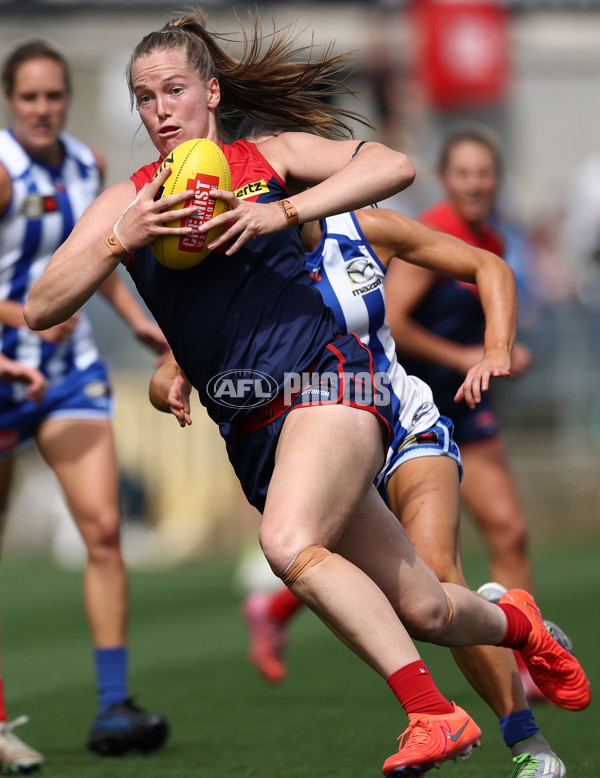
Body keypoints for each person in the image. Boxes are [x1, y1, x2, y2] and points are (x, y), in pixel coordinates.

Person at [23, 10, 589, 777]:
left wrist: (280, 211)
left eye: (175, 90)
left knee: (287, 544)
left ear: (212, 93)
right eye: (144, 97)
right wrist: (121, 239)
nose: (160, 110)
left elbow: (393, 165)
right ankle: (519, 623)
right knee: (424, 608)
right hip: (256, 432)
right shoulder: (129, 202)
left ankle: (433, 715)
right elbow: (42, 304)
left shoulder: (271, 158)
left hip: (332, 383)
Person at [222, 118, 570, 778]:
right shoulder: (237, 265)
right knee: (420, 611)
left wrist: (493, 351)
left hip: (404, 421)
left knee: (439, 569)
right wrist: (173, 376)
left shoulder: (365, 228)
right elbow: (198, 350)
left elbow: (487, 266)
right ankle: (512, 623)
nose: (262, 189)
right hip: (326, 443)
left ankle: (528, 744)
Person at [0, 40, 170, 768]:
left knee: (103, 529)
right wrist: (24, 319)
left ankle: (113, 706)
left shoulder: (87, 164)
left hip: (69, 373)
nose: (43, 109)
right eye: (30, 97)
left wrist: (134, 318)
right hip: (6, 373)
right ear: (11, 100)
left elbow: (96, 254)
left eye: (54, 96)